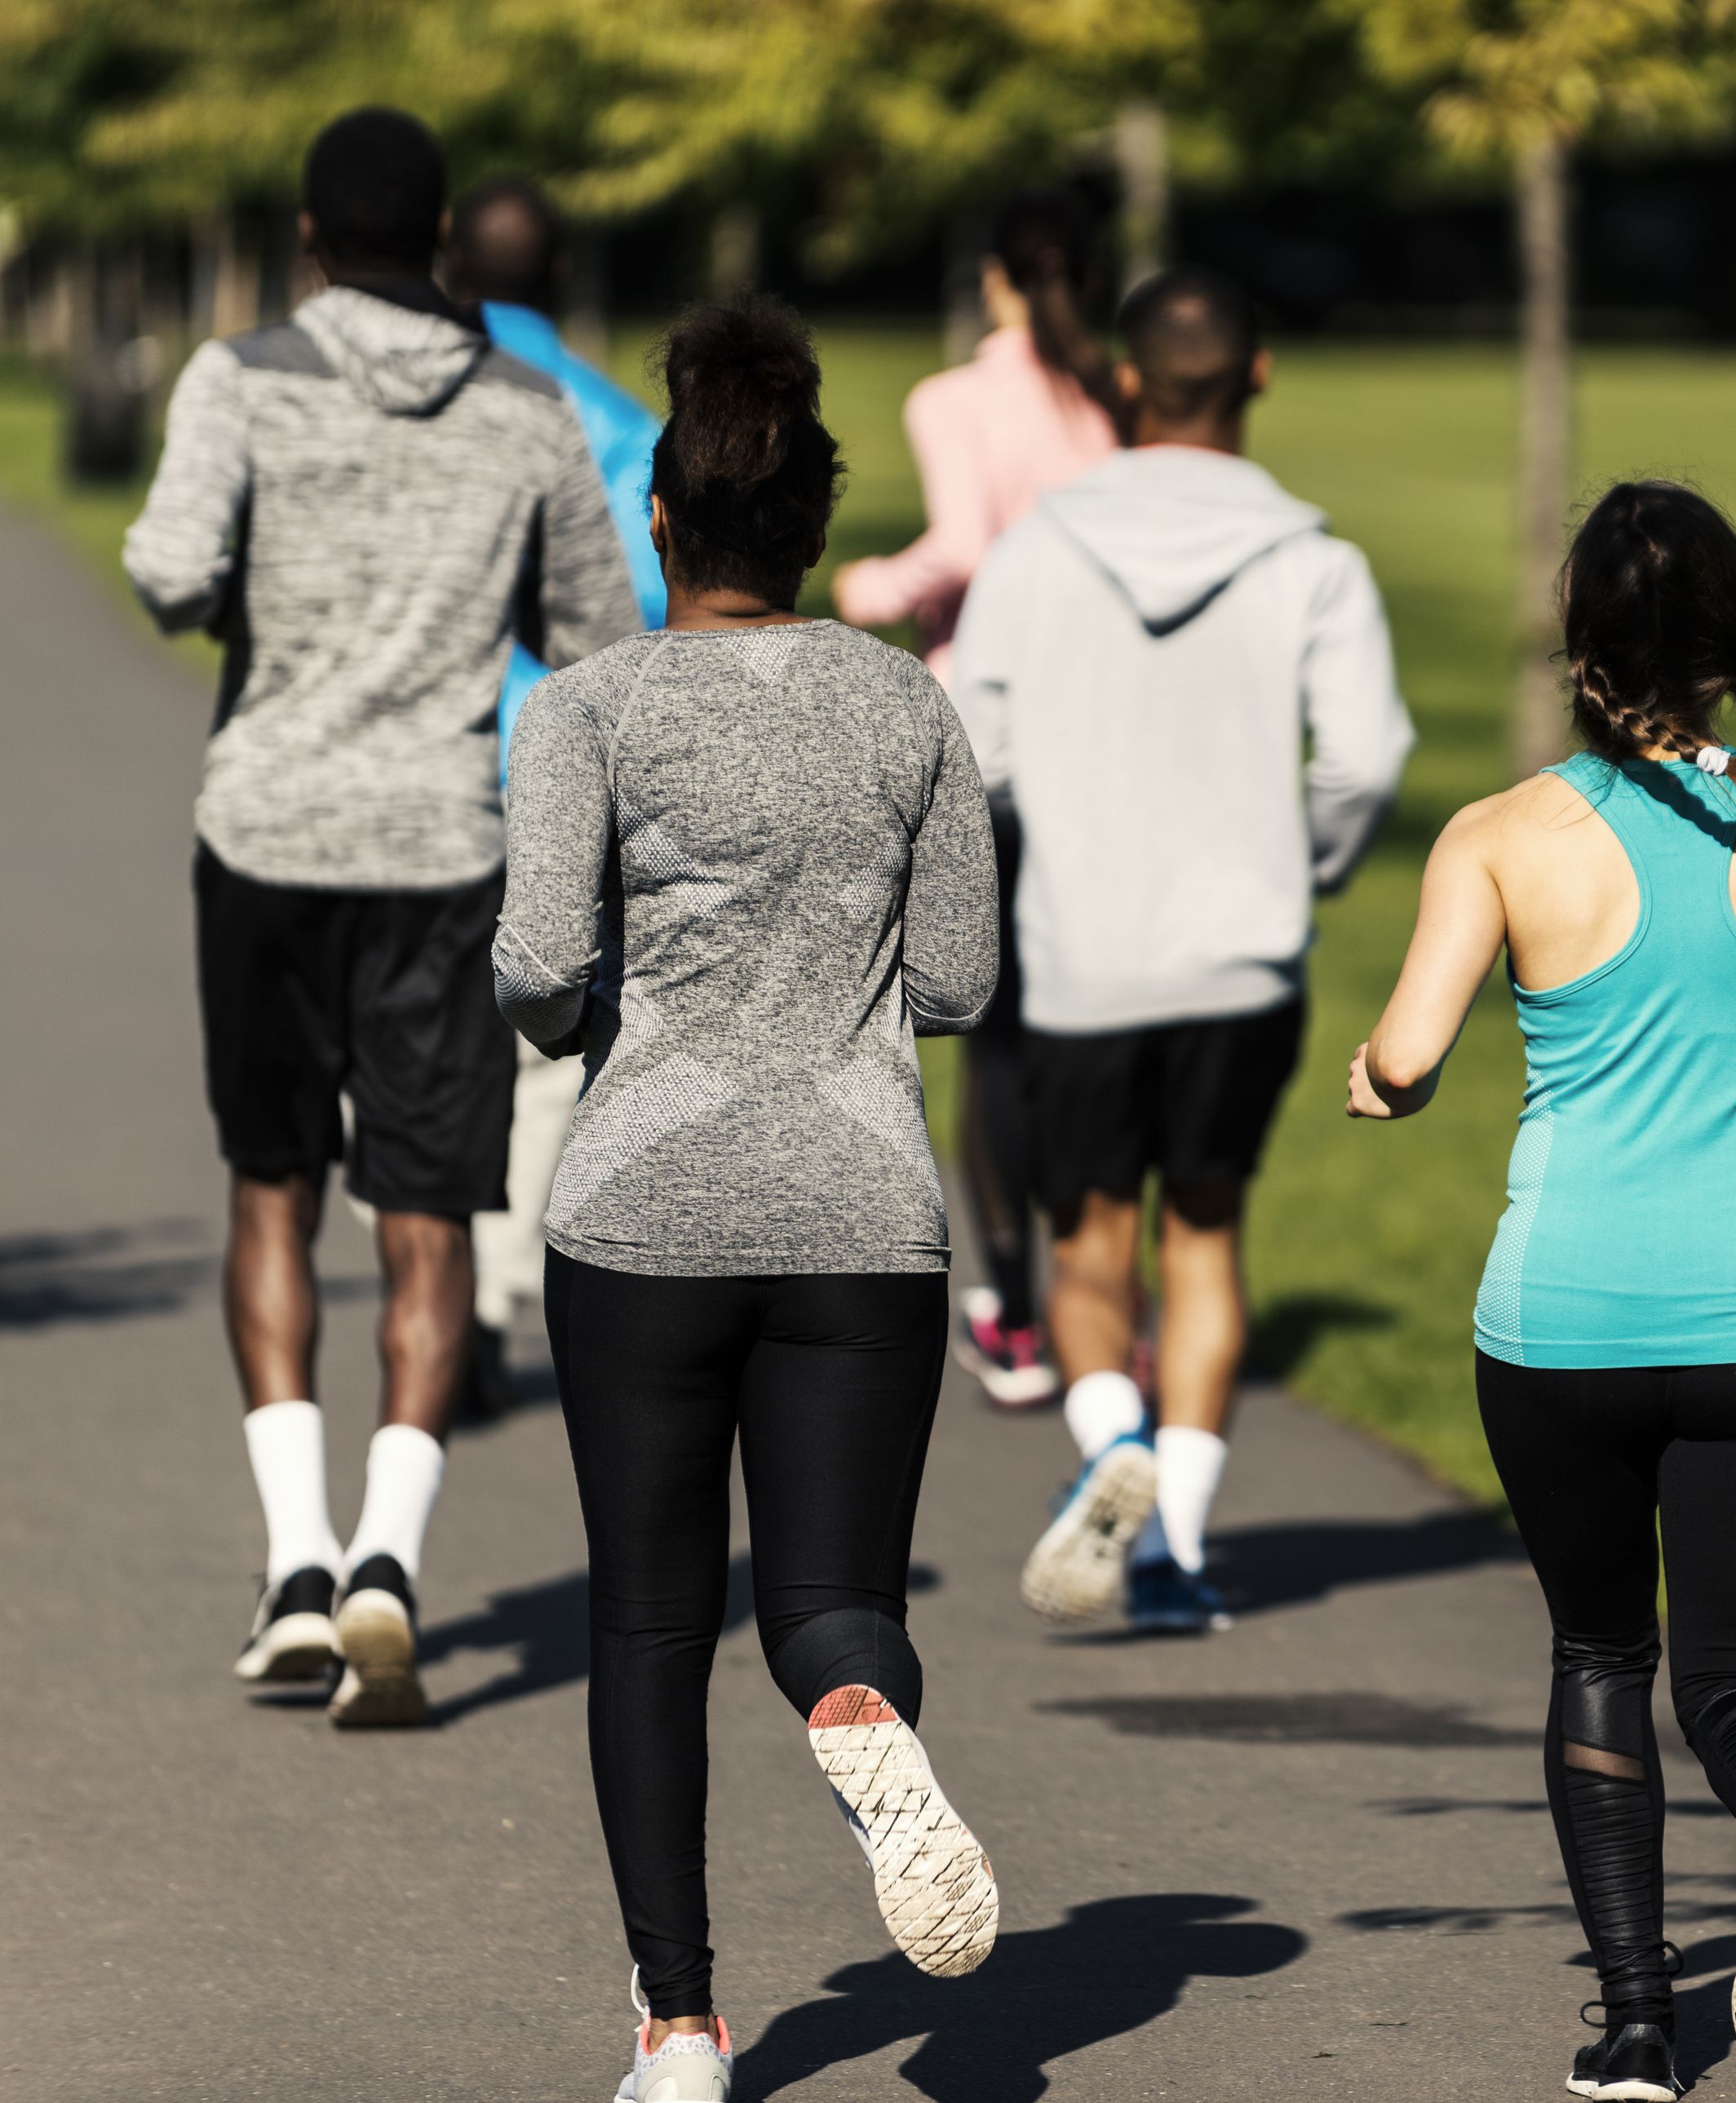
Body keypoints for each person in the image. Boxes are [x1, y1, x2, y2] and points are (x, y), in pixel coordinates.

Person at [1343, 481, 1736, 2098]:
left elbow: (1407, 1051)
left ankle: (1632, 2031)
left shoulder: (1503, 832)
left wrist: (1378, 1084)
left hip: (1566, 1319)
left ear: (1582, 647)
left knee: (1598, 1650)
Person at [495, 299, 1003, 2103]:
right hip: (864, 1205)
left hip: (640, 1205)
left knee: (645, 1618)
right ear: (815, 521)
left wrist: (593, 975)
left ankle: (684, 2024)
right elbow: (953, 981)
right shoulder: (906, 704)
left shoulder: (586, 711)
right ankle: (862, 1714)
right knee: (829, 1598)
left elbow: (546, 974)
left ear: (663, 520)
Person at [122, 106, 641, 1728]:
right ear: (439, 241)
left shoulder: (240, 376)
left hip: (269, 829)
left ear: (304, 235)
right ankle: (387, 1563)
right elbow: (592, 633)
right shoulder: (532, 406)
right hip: (440, 842)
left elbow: (165, 570)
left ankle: (291, 1564)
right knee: (428, 1208)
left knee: (271, 1187)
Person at [950, 266, 1414, 1634]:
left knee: (1088, 1247)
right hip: (1244, 954)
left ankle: (1110, 1453)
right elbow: (1370, 753)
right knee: (1206, 1240)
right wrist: (1299, 860)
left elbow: (974, 752)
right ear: (1261, 373)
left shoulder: (1038, 549)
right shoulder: (1316, 561)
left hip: (1084, 949)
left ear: (1128, 381)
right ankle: (1178, 1555)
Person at [837, 187, 1123, 1410]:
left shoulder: (952, 399)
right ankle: (1097, 1298)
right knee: (1083, 1031)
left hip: (983, 742)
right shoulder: (1113, 398)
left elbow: (959, 542)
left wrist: (867, 585)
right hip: (1101, 741)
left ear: (996, 278)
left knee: (990, 1039)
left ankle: (1006, 1304)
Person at [447, 176, 671, 1419]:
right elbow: (635, 603)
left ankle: (433, 1268)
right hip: (560, 761)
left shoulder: (412, 403)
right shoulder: (611, 418)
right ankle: (490, 1285)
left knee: (417, 1034)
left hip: (423, 765)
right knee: (542, 1048)